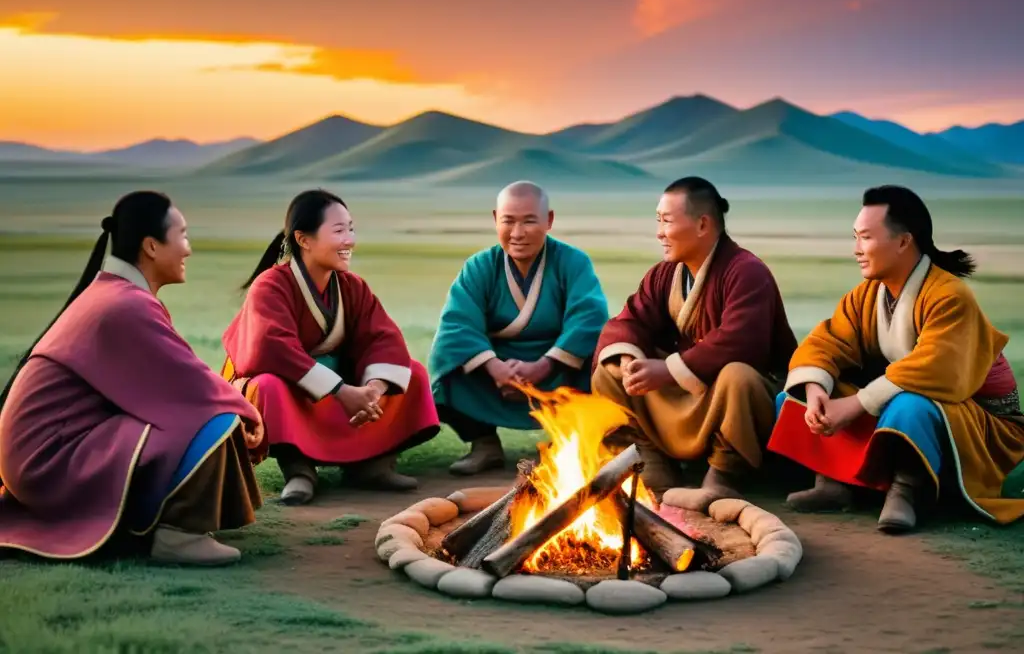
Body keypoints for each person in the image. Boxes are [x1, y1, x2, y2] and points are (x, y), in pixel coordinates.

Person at [0, 191, 264, 567]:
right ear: (152, 246)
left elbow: (177, 374)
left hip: (39, 455)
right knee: (211, 417)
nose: (188, 249)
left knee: (205, 408)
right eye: (183, 236)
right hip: (49, 461)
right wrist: (247, 410)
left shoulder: (115, 294)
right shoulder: (125, 304)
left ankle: (156, 523)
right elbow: (189, 384)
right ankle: (177, 535)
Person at [768, 185, 1024, 531]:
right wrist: (816, 390)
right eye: (855, 238)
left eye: (866, 238)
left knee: (911, 405)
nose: (857, 250)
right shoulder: (865, 296)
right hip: (913, 406)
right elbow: (825, 343)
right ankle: (833, 482)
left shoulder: (949, 296)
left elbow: (937, 370)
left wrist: (857, 403)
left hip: (981, 424)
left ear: (904, 241)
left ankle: (906, 491)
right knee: (795, 396)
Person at [221, 189, 440, 506]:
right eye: (339, 231)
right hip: (293, 386)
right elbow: (270, 349)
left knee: (413, 373)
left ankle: (372, 465)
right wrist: (342, 392)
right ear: (304, 239)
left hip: (338, 388)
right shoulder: (271, 285)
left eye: (351, 229)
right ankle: (299, 471)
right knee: (268, 387)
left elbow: (381, 337)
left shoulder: (352, 286)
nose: (349, 240)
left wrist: (372, 390)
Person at [591, 177, 797, 507]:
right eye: (658, 220)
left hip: (735, 398)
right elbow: (629, 321)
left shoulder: (747, 271)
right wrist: (630, 361)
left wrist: (668, 370)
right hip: (690, 392)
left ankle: (724, 475)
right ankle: (651, 466)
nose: (659, 232)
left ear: (702, 224)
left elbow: (742, 342)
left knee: (738, 377)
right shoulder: (663, 274)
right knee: (610, 370)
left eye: (667, 221)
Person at [428, 181, 609, 475]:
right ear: (494, 219)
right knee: (444, 362)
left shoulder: (573, 262)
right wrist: (495, 368)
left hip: (557, 368)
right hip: (495, 373)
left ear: (548, 220)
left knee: (602, 363)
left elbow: (589, 317)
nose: (517, 233)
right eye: (508, 221)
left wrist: (544, 366)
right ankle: (484, 443)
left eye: (529, 221)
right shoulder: (479, 266)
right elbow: (458, 325)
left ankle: (568, 444)